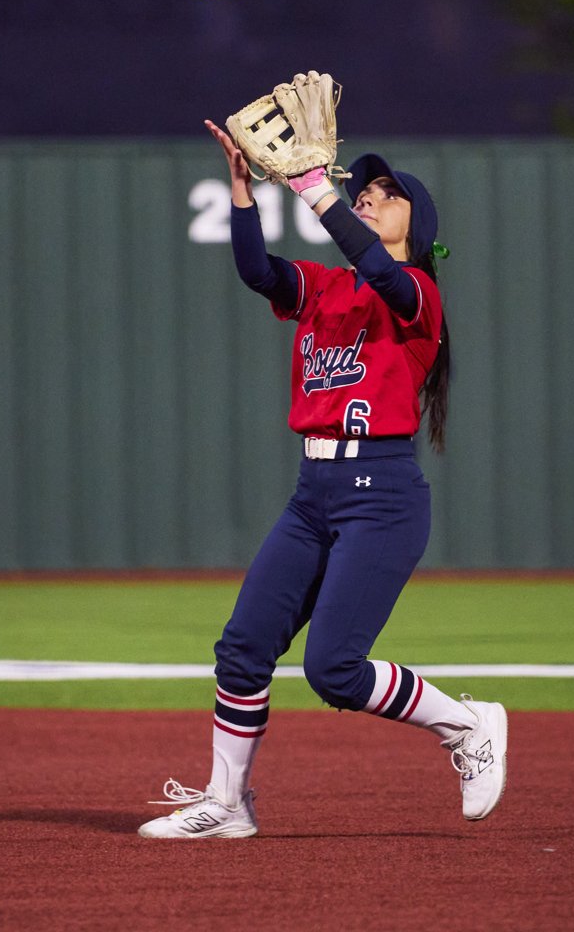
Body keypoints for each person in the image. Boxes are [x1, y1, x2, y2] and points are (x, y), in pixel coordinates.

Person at [138, 121, 508, 840]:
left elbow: (381, 270)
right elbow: (258, 272)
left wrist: (314, 189)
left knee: (335, 669)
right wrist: (243, 196)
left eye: (387, 194)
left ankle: (467, 726)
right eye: (362, 189)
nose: (368, 197)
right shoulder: (326, 287)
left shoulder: (419, 297)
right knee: (243, 649)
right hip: (314, 493)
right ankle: (228, 803)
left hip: (383, 496)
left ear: (417, 225)